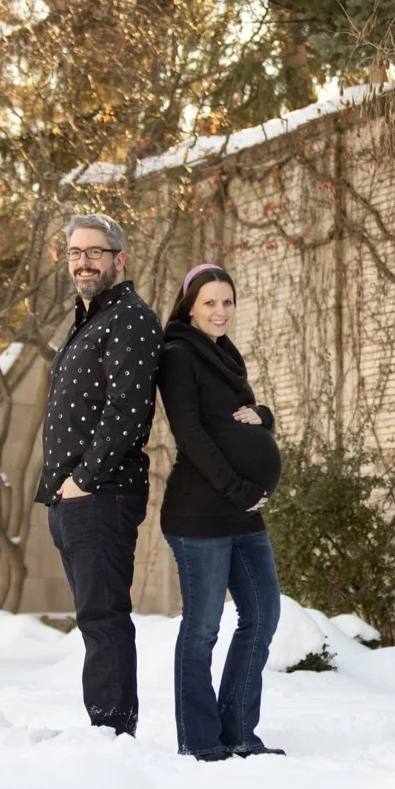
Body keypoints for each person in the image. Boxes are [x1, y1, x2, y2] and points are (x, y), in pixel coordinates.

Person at [35, 213, 163, 737]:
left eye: (95, 252)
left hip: (101, 495)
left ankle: (112, 735)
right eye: (75, 253)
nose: (83, 262)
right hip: (73, 500)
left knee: (104, 619)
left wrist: (84, 479)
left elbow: (128, 411)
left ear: (119, 259)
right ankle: (106, 730)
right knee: (94, 620)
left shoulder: (130, 318)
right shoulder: (87, 319)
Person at [157, 263, 285, 761]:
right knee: (203, 626)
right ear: (190, 305)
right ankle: (200, 739)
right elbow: (191, 432)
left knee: (262, 615)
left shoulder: (225, 355)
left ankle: (238, 731)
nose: (220, 311)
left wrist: (265, 417)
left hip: (242, 514)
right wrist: (237, 487)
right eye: (210, 302)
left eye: (227, 301)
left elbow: (241, 419)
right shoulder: (179, 354)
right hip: (200, 517)